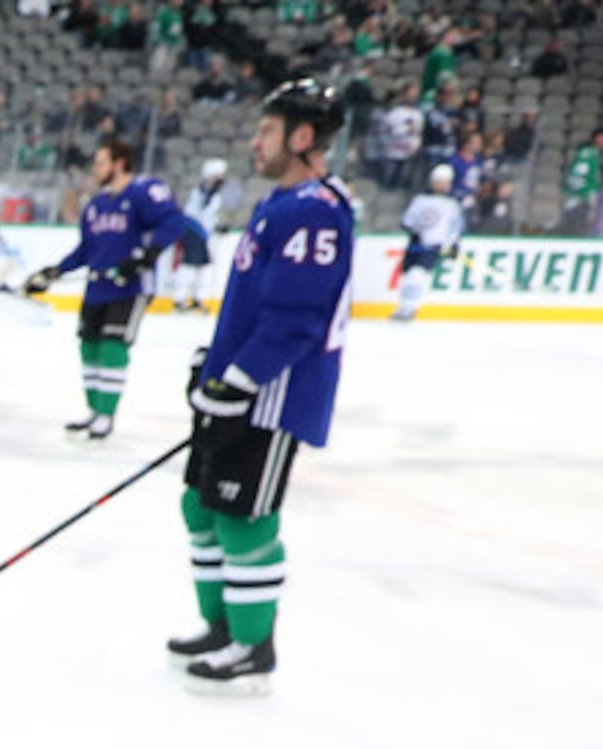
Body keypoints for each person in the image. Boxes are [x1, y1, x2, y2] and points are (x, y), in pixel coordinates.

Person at [170, 79, 355, 695]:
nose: (256, 141)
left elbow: (298, 319)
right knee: (200, 505)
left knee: (244, 517)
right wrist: (216, 360)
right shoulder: (279, 205)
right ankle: (222, 626)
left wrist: (243, 376)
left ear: (304, 138)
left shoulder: (317, 211)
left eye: (268, 131)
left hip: (269, 397)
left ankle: (253, 645)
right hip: (236, 386)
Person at [21, 134, 204, 441]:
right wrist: (54, 272)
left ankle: (106, 416)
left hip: (130, 288)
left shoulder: (144, 192)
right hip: (98, 288)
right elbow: (86, 251)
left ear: (120, 163)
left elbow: (173, 223)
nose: (96, 168)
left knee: (111, 346)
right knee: (89, 347)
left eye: (101, 162)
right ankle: (94, 412)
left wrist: (146, 256)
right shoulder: (96, 205)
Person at [392, 161, 466, 322]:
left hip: (433, 247)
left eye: (443, 182)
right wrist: (414, 231)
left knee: (418, 275)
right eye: (437, 181)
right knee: (408, 275)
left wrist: (453, 245)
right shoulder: (420, 199)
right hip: (416, 243)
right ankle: (403, 306)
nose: (440, 185)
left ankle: (411, 307)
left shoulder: (452, 204)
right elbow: (407, 221)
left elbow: (455, 227)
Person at [168, 154, 238, 312]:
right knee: (189, 265)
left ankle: (198, 298)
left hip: (202, 232)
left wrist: (217, 225)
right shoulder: (205, 190)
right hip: (195, 230)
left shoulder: (213, 192)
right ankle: (180, 297)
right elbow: (202, 210)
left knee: (203, 267)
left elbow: (210, 214)